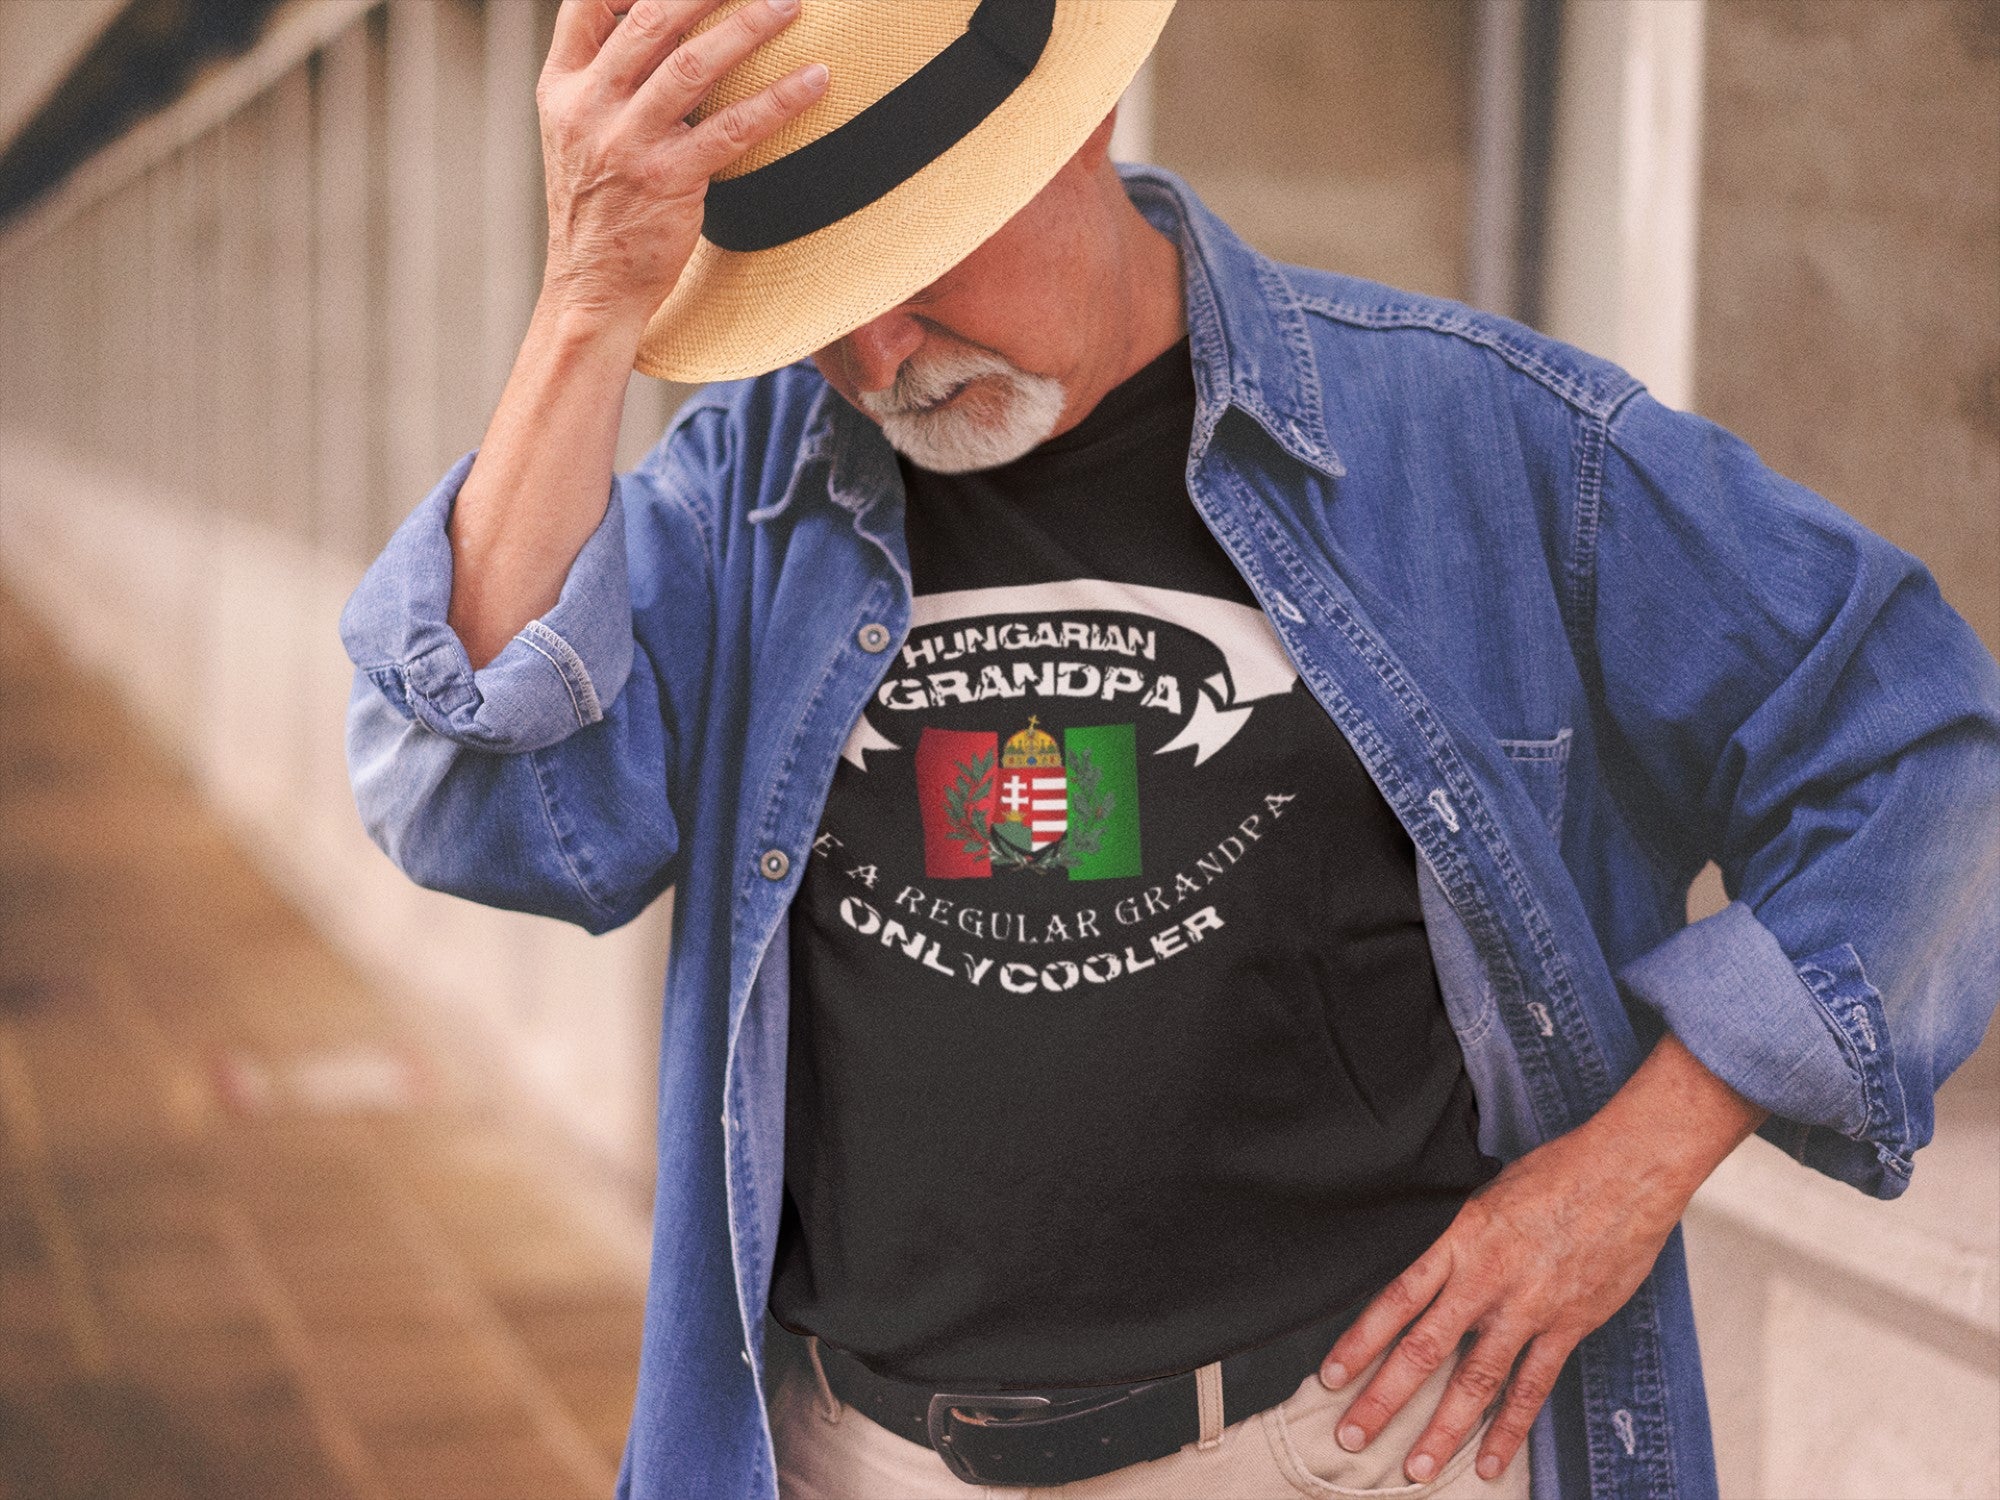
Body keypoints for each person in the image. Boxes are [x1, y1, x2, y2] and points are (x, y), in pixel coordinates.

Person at [336, 2, 2000, 1498]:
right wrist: (583, 309)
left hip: (1345, 1451)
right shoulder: (751, 483)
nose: (880, 357)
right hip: (858, 1459)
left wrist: (1633, 1169)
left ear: (1081, 126)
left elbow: (1925, 750)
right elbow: (483, 811)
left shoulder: (1483, 439)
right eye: (815, 305)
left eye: (911, 269)